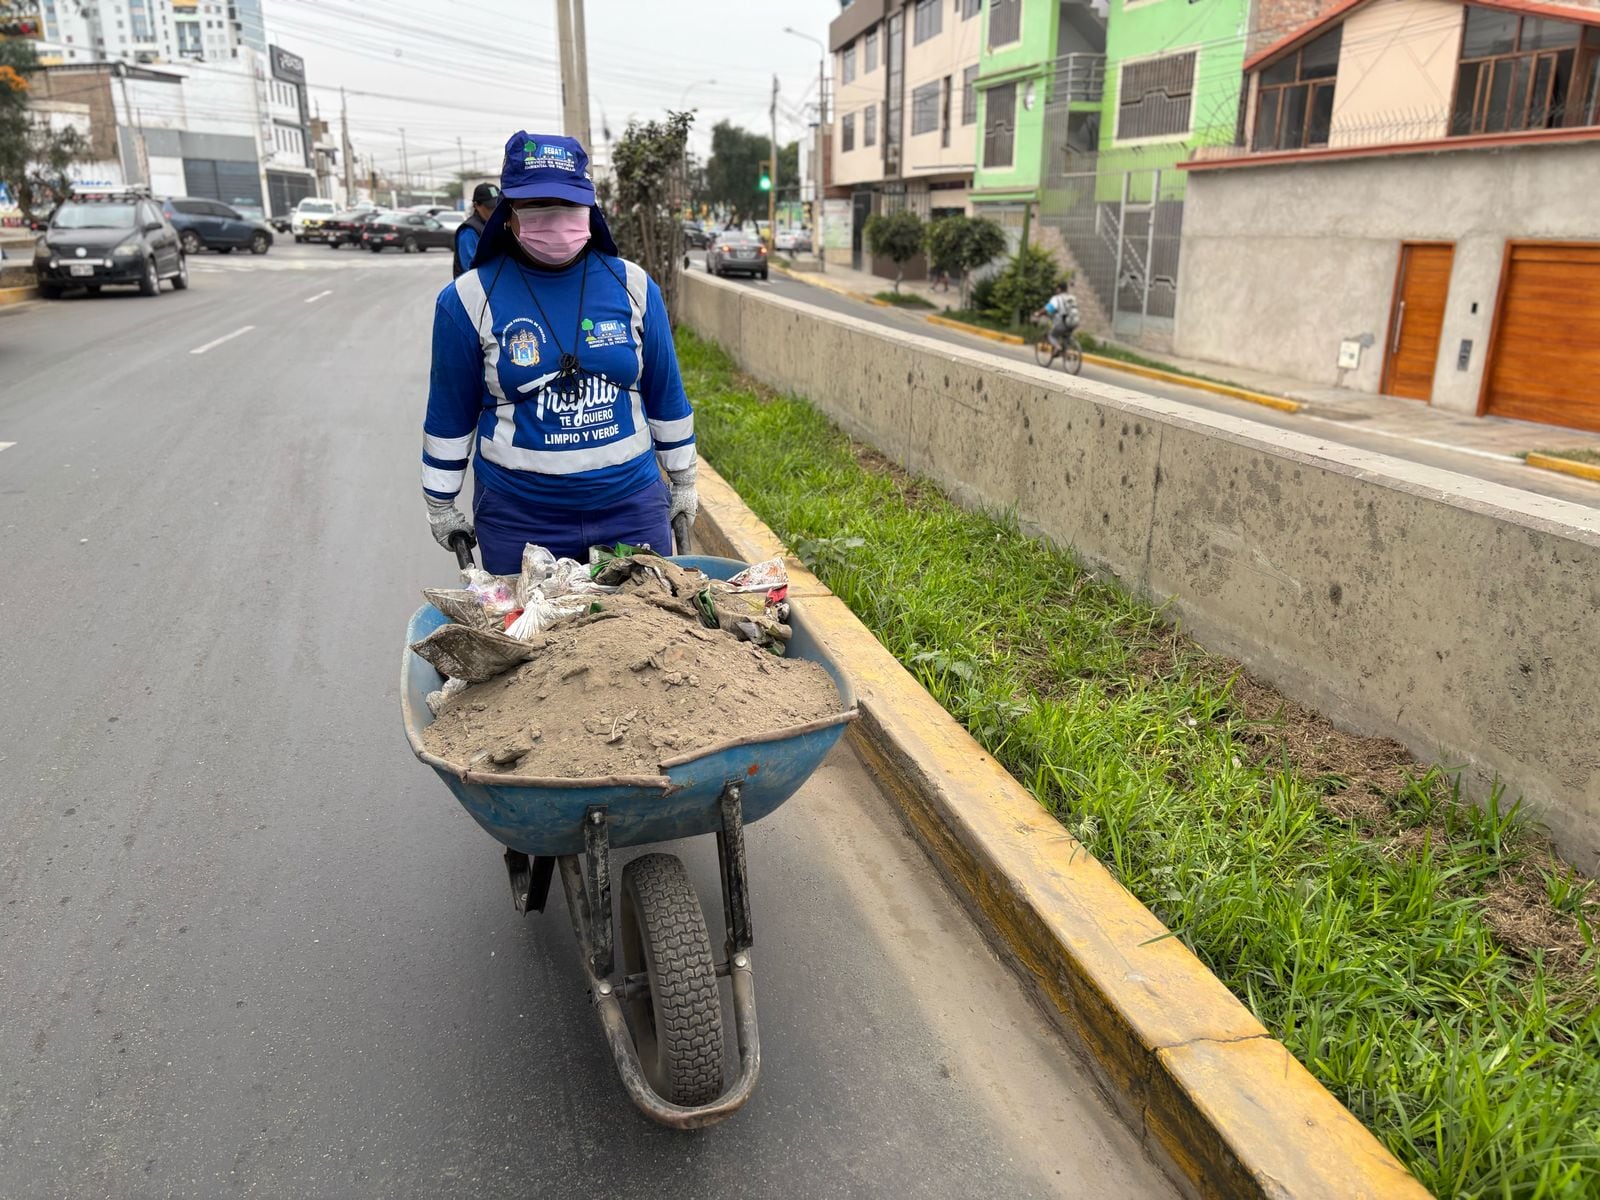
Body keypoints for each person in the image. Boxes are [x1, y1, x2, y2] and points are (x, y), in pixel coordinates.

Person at [422, 132, 697, 573]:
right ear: (509, 214)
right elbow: (450, 414)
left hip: (631, 509)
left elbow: (665, 392)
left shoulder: (635, 287)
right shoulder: (467, 300)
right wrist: (441, 500)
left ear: (589, 208)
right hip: (519, 520)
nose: (555, 218)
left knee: (644, 637)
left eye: (568, 204)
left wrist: (683, 478)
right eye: (535, 205)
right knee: (531, 641)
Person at [452, 181, 501, 278]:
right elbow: (470, 270)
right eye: (490, 207)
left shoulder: (497, 225)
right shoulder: (469, 231)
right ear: (476, 205)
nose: (494, 210)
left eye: (498, 206)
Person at [1038, 278, 1080, 355]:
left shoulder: (1056, 298)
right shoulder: (1071, 298)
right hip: (1074, 322)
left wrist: (1038, 313)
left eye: (1056, 289)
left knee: (1051, 335)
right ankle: (1065, 352)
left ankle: (1057, 347)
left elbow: (1048, 308)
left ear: (1059, 289)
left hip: (1062, 323)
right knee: (1066, 337)